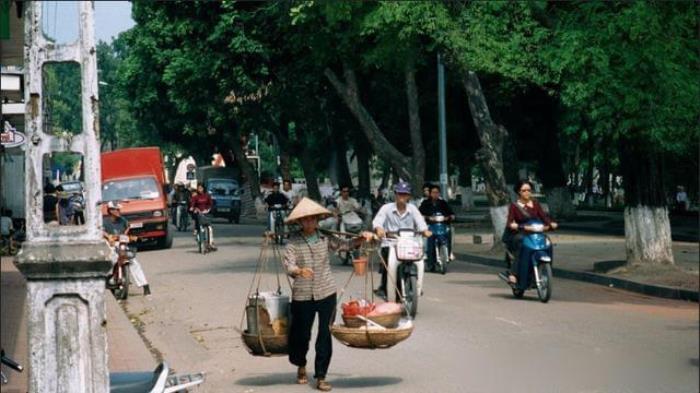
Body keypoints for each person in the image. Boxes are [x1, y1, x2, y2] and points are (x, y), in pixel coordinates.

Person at [282, 197, 373, 392]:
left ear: (317, 220)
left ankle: (321, 375)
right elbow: (288, 264)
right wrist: (298, 271)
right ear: (299, 222)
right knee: (301, 334)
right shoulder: (293, 241)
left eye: (312, 219)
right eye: (305, 220)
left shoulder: (325, 237)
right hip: (303, 294)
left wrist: (361, 238)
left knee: (325, 334)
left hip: (326, 291)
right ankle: (300, 364)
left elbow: (345, 245)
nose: (309, 223)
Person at [372, 181, 431, 298]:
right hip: (390, 243)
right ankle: (384, 287)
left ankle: (416, 286)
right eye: (399, 194)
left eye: (404, 194)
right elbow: (378, 221)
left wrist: (425, 230)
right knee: (387, 262)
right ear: (395, 194)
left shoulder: (413, 209)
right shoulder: (386, 208)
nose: (402, 197)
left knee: (418, 260)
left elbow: (420, 222)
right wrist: (379, 229)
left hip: (409, 243)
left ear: (408, 196)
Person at [503, 180, 558, 284]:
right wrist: (517, 226)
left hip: (535, 233)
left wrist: (551, 224)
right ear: (519, 192)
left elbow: (544, 217)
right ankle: (513, 274)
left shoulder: (536, 204)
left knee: (548, 243)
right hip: (520, 234)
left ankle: (546, 271)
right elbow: (509, 223)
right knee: (522, 245)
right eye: (524, 190)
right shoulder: (514, 206)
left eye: (529, 190)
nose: (527, 192)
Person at [102, 201, 151, 296]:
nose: (118, 211)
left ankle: (145, 285)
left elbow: (126, 232)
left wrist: (132, 237)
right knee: (111, 257)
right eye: (115, 209)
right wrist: (108, 237)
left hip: (121, 243)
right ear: (110, 211)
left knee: (133, 261)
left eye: (118, 209)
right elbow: (101, 232)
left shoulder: (123, 221)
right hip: (110, 244)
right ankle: (109, 277)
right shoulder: (104, 222)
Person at [419, 185, 456, 271]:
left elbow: (451, 213)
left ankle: (449, 253)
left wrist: (449, 217)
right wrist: (427, 218)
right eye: (433, 192)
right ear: (430, 193)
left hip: (442, 226)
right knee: (429, 241)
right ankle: (430, 260)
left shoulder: (443, 203)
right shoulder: (425, 203)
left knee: (449, 233)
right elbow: (419, 214)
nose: (435, 194)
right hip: (430, 226)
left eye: (437, 192)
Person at [189, 184, 217, 251]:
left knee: (209, 228)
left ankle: (210, 243)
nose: (200, 189)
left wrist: (207, 210)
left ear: (203, 188)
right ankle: (197, 235)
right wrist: (193, 208)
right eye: (198, 188)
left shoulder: (207, 196)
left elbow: (210, 204)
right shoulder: (195, 197)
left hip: (206, 214)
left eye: (201, 188)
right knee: (198, 226)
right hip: (198, 214)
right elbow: (192, 204)